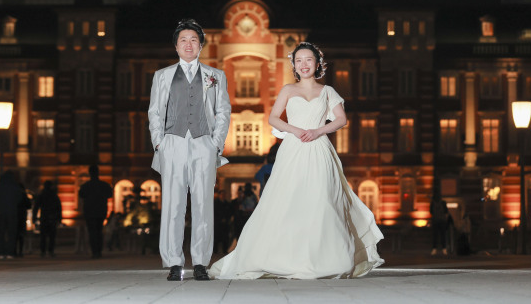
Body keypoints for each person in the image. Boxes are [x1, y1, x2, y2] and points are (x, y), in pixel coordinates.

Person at [210, 42, 384, 279]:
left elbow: (341, 120)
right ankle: (283, 257)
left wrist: (317, 131)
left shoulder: (328, 91)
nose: (304, 65)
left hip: (320, 149)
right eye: (299, 60)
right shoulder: (288, 90)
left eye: (308, 60)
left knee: (323, 200)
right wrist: (295, 130)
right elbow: (273, 118)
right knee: (288, 200)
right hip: (293, 149)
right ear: (294, 65)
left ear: (317, 63)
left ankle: (329, 259)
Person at [148, 19, 231, 281]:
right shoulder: (162, 75)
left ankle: (201, 263)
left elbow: (223, 111)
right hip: (172, 142)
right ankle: (173, 262)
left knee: (203, 204)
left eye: (193, 40)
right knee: (173, 203)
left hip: (203, 142)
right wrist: (159, 143)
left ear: (201, 45)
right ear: (176, 46)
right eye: (183, 40)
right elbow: (154, 112)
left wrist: (216, 143)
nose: (188, 44)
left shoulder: (215, 76)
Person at [78, 164, 112, 258]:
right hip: (101, 211)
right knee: (99, 231)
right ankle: (98, 251)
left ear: (90, 173)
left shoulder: (85, 186)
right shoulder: (104, 185)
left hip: (89, 212)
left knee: (92, 232)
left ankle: (95, 251)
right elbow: (110, 194)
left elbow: (81, 195)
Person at [0, 170, 23, 259]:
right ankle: (10, 252)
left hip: (1, 213)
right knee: (12, 233)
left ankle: (1, 252)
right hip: (12, 212)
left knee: (1, 233)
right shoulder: (15, 186)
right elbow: (19, 199)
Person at [33, 181, 62, 257]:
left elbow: (36, 207)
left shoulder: (42, 195)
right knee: (52, 236)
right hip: (52, 217)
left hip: (44, 217)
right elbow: (59, 208)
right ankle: (50, 251)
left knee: (43, 236)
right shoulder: (54, 195)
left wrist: (34, 217)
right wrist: (59, 218)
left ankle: (43, 251)